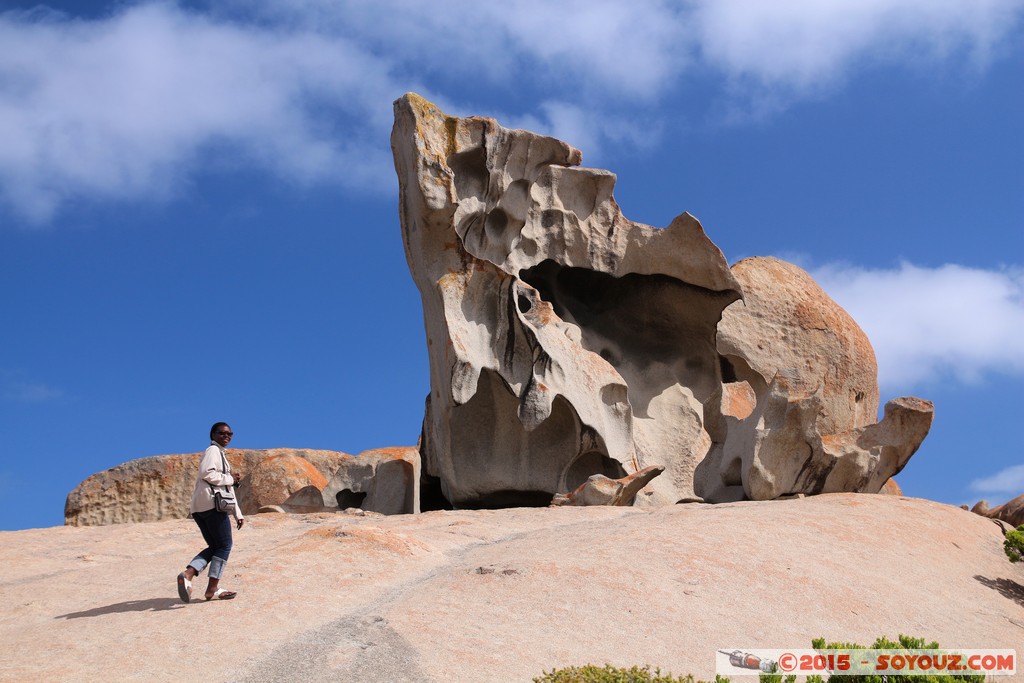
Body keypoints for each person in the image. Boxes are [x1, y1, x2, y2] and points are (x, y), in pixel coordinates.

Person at [176, 421, 244, 602]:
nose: (226, 436)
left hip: (200, 508)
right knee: (224, 546)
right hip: (212, 505)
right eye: (222, 433)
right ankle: (211, 588)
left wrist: (238, 513)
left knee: (215, 547)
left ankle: (189, 574)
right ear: (213, 435)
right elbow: (208, 473)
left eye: (230, 434)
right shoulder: (213, 451)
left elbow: (226, 488)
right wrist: (230, 478)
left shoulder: (220, 454)